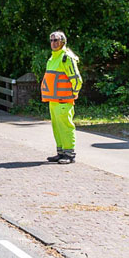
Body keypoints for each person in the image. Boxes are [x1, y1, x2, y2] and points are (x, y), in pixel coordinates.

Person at [40, 30, 82, 164]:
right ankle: (61, 152)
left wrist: (74, 92)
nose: (53, 43)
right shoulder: (53, 58)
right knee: (57, 128)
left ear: (63, 42)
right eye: (51, 40)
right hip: (53, 100)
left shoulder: (66, 57)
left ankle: (69, 154)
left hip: (64, 100)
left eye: (56, 40)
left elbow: (76, 78)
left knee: (65, 127)